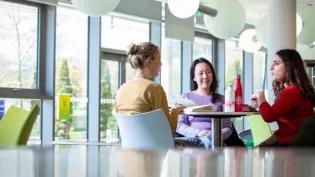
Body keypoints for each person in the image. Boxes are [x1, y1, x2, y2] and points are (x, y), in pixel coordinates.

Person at [114, 42, 184, 134]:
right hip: (155, 148)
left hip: (130, 147)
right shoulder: (154, 89)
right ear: (149, 61)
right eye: (159, 59)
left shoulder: (121, 90)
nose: (161, 64)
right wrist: (175, 111)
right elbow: (168, 132)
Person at [252, 49, 315, 146]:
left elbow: (269, 116)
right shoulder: (296, 90)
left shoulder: (292, 91)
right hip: (295, 145)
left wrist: (260, 96)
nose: (271, 67)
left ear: (289, 67)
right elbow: (288, 127)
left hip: (291, 150)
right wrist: (267, 142)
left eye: (276, 63)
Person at [176, 58, 234, 149]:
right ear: (194, 78)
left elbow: (228, 128)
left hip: (215, 141)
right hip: (194, 140)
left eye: (208, 72)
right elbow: (179, 126)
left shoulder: (222, 99)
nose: (205, 76)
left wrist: (215, 136)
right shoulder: (185, 97)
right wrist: (198, 133)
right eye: (200, 73)